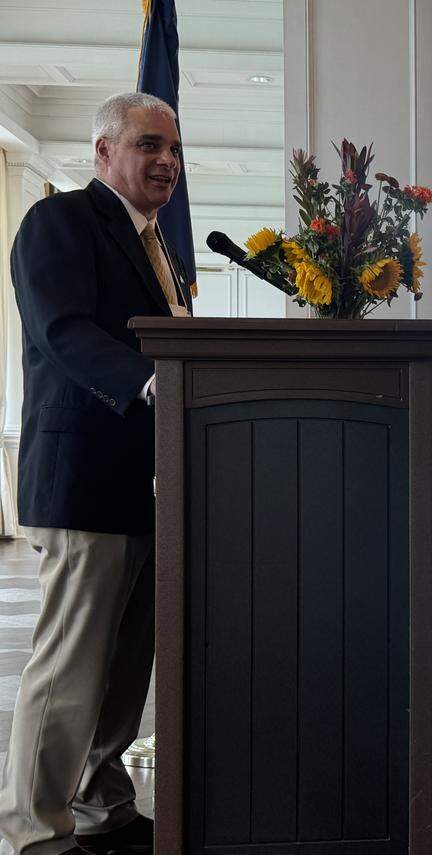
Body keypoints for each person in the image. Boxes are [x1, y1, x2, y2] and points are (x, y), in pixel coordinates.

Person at [0, 92, 193, 855]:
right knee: (70, 668)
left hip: (150, 484)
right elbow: (64, 329)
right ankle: (30, 830)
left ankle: (99, 805)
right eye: (149, 146)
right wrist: (149, 380)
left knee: (122, 667)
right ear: (103, 152)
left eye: (174, 151)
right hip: (83, 475)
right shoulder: (61, 222)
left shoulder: (160, 245)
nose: (167, 163)